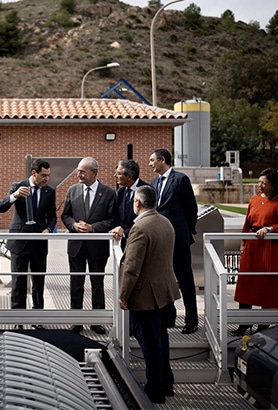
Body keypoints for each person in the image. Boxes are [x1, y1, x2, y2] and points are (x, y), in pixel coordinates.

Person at [118, 185, 180, 404]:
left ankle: (156, 390)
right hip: (165, 293)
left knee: (151, 345)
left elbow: (132, 266)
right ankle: (167, 383)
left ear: (138, 203)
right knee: (161, 341)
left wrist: (123, 294)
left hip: (146, 297)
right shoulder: (166, 223)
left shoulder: (140, 228)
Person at [232, 168, 278, 336]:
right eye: (259, 182)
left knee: (266, 284)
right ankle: (244, 325)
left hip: (269, 247)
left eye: (263, 183)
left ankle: (263, 326)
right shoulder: (254, 199)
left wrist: (270, 229)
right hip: (253, 244)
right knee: (246, 282)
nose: (259, 185)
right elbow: (247, 222)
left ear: (273, 185)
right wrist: (243, 242)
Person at [0, 159, 57, 329]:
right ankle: (18, 320)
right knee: (18, 283)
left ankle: (37, 319)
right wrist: (14, 196)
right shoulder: (18, 186)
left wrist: (48, 228)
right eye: (43, 175)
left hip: (39, 243)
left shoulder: (49, 191)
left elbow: (52, 216)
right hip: (19, 242)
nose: (46, 179)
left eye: (48, 176)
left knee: (39, 282)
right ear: (34, 173)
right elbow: (0, 208)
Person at [61, 157, 117, 335]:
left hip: (97, 246)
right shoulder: (72, 190)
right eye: (78, 171)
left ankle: (97, 321)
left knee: (97, 284)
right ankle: (75, 322)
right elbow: (65, 215)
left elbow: (112, 220)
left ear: (94, 172)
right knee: (76, 284)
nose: (79, 174)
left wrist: (93, 228)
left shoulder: (108, 193)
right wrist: (73, 226)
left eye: (83, 171)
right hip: (76, 245)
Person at [148, 148, 199, 334]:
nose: (150, 164)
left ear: (162, 160)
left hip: (179, 240)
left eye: (152, 160)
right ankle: (169, 316)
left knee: (185, 279)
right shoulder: (154, 182)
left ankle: (191, 320)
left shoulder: (180, 179)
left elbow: (191, 209)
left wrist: (187, 229)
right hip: (160, 240)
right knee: (163, 280)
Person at [110, 159, 148, 249]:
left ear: (129, 176)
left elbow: (147, 219)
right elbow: (117, 216)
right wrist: (118, 229)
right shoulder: (121, 192)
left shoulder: (146, 191)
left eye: (119, 173)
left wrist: (125, 232)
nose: (115, 175)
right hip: (125, 243)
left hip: (141, 242)